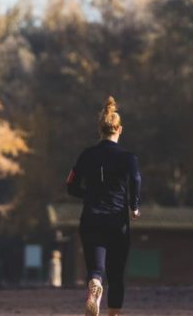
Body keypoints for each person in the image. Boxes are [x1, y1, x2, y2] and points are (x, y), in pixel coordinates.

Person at [66, 97, 142, 316]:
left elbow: (70, 185)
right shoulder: (128, 158)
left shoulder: (86, 155)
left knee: (96, 268)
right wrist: (134, 205)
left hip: (91, 219)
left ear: (100, 129)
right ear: (119, 129)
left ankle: (95, 286)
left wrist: (88, 194)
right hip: (117, 221)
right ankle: (112, 314)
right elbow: (136, 179)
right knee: (116, 274)